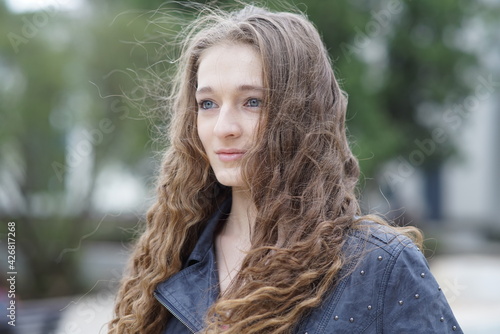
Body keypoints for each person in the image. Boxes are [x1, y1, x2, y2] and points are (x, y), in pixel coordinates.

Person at [109, 4, 462, 334]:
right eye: (208, 104)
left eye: (253, 102)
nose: (224, 128)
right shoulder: (169, 260)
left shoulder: (382, 268)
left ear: (302, 115)